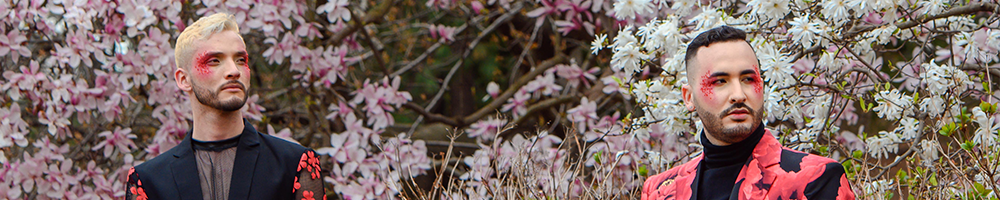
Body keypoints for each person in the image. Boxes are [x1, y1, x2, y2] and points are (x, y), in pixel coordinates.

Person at [126, 13, 326, 200]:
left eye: (240, 60)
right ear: (184, 79)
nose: (233, 71)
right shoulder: (148, 180)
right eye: (214, 61)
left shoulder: (294, 164)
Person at [641, 26, 856, 200]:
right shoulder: (660, 191)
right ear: (689, 98)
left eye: (748, 79)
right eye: (720, 82)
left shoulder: (814, 178)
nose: (738, 94)